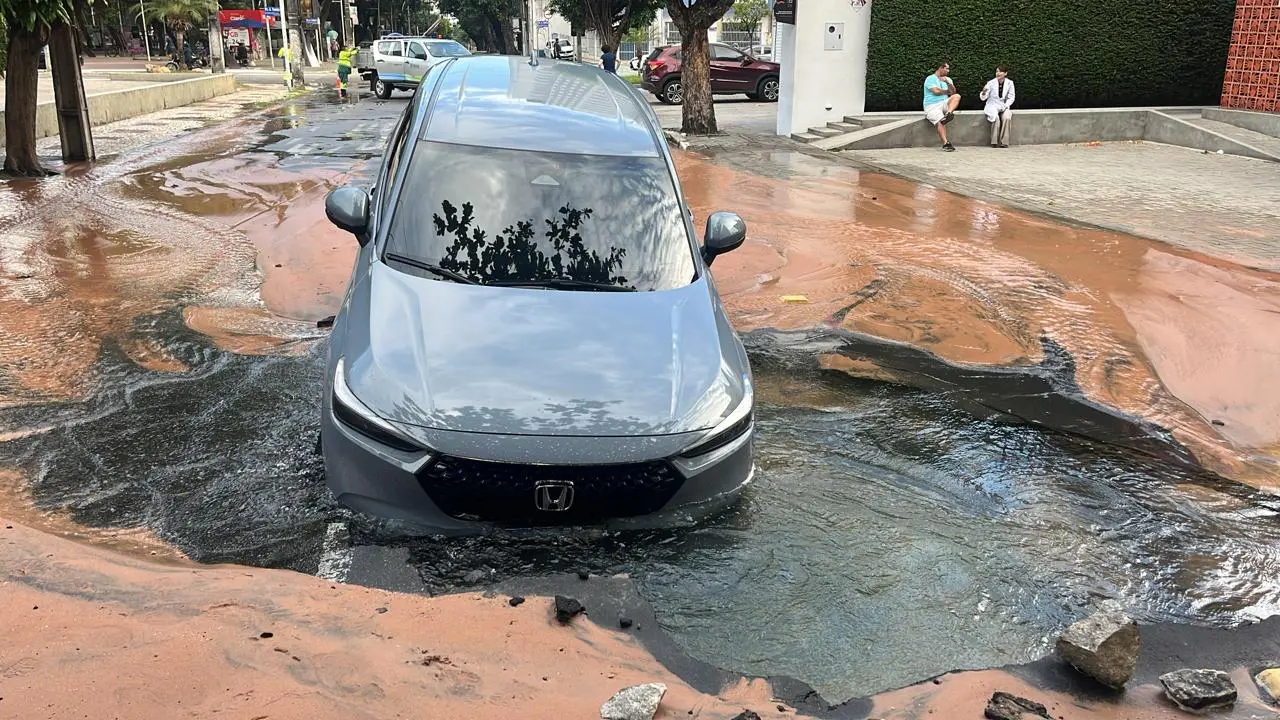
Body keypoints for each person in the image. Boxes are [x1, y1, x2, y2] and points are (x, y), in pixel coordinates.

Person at [923, 61, 961, 151]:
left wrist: (948, 83)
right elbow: (936, 91)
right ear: (941, 68)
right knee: (941, 121)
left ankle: (948, 113)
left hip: (944, 103)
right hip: (931, 105)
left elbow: (953, 92)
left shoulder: (948, 79)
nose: (948, 70)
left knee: (957, 96)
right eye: (947, 68)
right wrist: (947, 91)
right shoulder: (930, 78)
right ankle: (946, 144)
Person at [979, 66, 1015, 148]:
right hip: (992, 105)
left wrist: (1006, 106)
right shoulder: (990, 83)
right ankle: (994, 142)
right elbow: (983, 98)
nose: (998, 73)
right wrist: (983, 92)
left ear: (1005, 73)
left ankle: (1004, 142)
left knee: (1007, 117)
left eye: (1000, 71)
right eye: (997, 71)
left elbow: (1011, 97)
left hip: (1004, 105)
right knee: (996, 118)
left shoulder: (1010, 83)